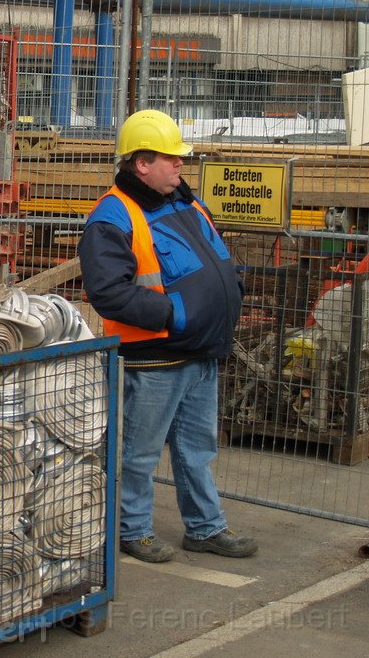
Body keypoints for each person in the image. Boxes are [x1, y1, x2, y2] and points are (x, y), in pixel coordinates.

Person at [78, 109, 257, 563]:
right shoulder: (113, 216)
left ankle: (205, 527)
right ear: (141, 163)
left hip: (200, 352)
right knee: (139, 453)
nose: (181, 165)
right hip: (156, 357)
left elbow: (215, 256)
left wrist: (231, 286)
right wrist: (177, 315)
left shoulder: (187, 202)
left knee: (199, 449)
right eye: (171, 158)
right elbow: (108, 293)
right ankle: (131, 529)